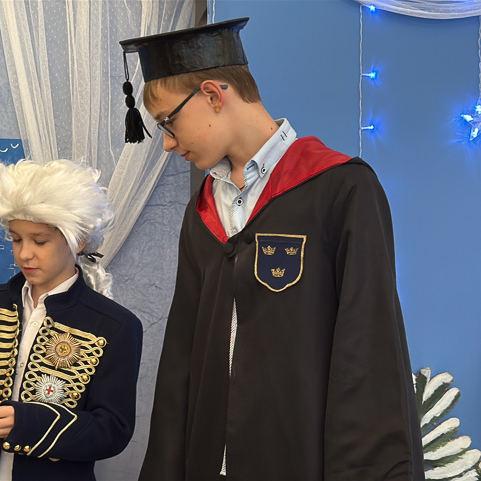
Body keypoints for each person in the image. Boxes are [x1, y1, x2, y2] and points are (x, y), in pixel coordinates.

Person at [120, 18, 423, 481]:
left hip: (300, 461)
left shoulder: (339, 190)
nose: (167, 142)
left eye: (168, 121)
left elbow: (368, 349)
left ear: (213, 95)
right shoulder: (204, 212)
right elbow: (181, 359)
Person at [0, 159, 143, 480]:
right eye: (16, 239)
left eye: (39, 241)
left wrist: (26, 422)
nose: (24, 253)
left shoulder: (115, 325)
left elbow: (112, 430)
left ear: (79, 239)